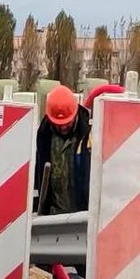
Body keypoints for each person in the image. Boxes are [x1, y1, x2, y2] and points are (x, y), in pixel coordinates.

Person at [34, 85, 93, 216]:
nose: (63, 127)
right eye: (59, 124)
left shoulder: (89, 133)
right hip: (54, 214)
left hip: (83, 215)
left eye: (68, 122)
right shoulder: (44, 134)